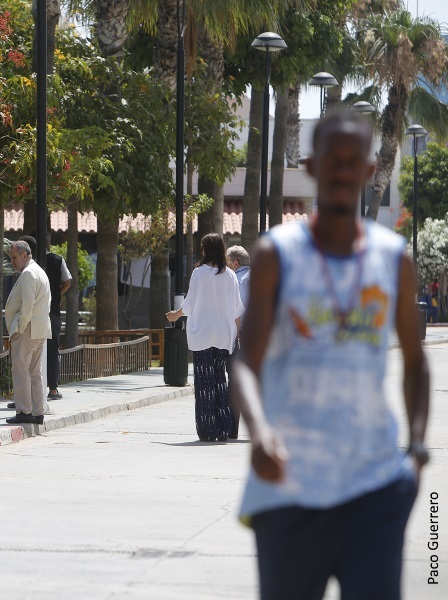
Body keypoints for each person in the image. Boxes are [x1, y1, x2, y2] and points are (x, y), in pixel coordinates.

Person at [230, 111, 430, 600]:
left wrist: (417, 445)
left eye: (353, 161)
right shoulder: (278, 254)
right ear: (311, 166)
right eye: (331, 161)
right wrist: (259, 432)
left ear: (369, 169)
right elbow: (246, 363)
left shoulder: (393, 258)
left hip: (374, 486)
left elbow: (415, 359)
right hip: (290, 488)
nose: (342, 171)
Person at [166, 233, 244, 441]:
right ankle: (223, 428)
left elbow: (189, 304)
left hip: (202, 334)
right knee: (220, 381)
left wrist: (175, 315)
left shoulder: (199, 273)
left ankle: (208, 430)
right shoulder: (231, 275)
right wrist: (236, 336)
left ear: (205, 250)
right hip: (223, 336)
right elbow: (237, 309)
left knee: (204, 384)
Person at [4, 240, 52, 425]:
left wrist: (20, 329)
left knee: (20, 369)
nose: (12, 261)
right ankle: (38, 411)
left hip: (28, 329)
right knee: (34, 371)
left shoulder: (28, 274)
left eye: (14, 257)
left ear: (25, 255)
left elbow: (27, 307)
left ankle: (24, 410)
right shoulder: (40, 272)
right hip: (39, 329)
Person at [19, 235, 71, 400]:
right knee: (52, 348)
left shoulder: (29, 266)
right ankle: (53, 389)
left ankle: (30, 392)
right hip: (52, 311)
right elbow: (68, 281)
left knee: (30, 352)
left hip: (34, 313)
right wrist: (56, 294)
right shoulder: (58, 260)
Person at [226, 245, 251, 439]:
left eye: (227, 262)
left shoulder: (238, 279)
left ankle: (232, 428)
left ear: (235, 263)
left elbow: (239, 310)